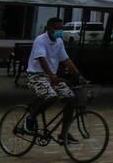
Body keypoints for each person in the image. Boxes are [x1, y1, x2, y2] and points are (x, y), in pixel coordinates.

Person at [25, 16, 83, 144]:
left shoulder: (59, 42)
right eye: (57, 28)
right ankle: (30, 118)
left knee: (71, 99)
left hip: (52, 77)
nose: (59, 31)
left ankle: (63, 134)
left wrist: (78, 75)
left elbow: (66, 60)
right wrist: (51, 75)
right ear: (49, 28)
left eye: (61, 29)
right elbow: (42, 59)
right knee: (52, 97)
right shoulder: (40, 40)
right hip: (36, 75)